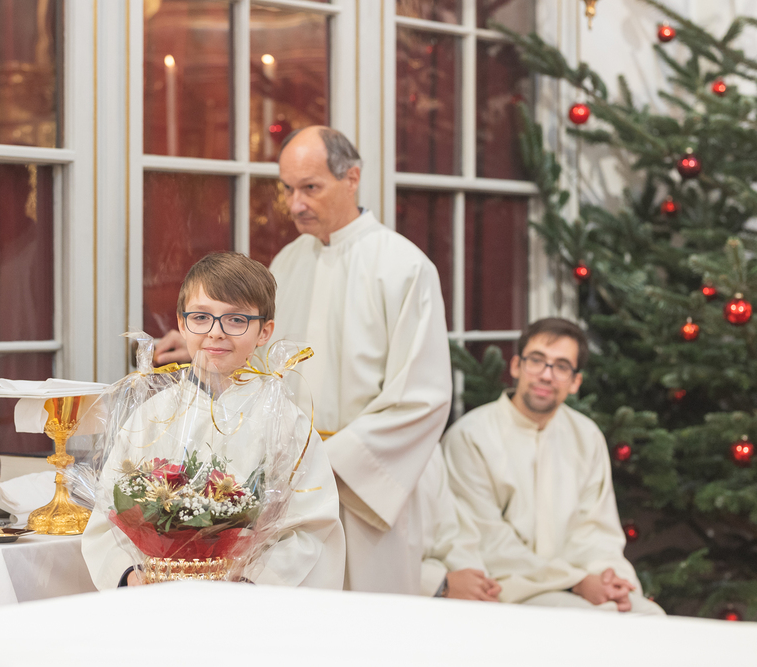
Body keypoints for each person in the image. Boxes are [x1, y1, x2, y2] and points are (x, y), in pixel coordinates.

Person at [154, 126, 452, 594]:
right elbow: (260, 359)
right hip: (288, 483)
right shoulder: (288, 262)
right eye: (288, 189)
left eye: (310, 188)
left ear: (352, 178)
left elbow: (421, 396)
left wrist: (319, 462)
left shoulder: (405, 267)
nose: (295, 205)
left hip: (367, 488)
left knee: (371, 615)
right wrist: (205, 342)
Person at [83, 252, 345, 589]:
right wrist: (129, 574)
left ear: (264, 331)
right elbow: (106, 516)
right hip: (158, 595)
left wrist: (248, 580)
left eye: (236, 320)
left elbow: (311, 528)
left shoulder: (287, 423)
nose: (216, 332)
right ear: (181, 324)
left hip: (246, 600)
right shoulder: (151, 416)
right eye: (201, 317)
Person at [442, 318, 665, 614]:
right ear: (516, 366)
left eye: (561, 366)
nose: (546, 375)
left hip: (579, 580)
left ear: (575, 382)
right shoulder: (471, 436)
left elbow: (596, 531)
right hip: (508, 586)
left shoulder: (586, 437)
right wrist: (575, 582)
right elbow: (488, 541)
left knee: (650, 616)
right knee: (590, 621)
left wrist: (608, 578)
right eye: (536, 361)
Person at [418, 453, 501, 601]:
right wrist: (440, 585)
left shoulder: (430, 453)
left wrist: (481, 586)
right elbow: (381, 568)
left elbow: (452, 536)